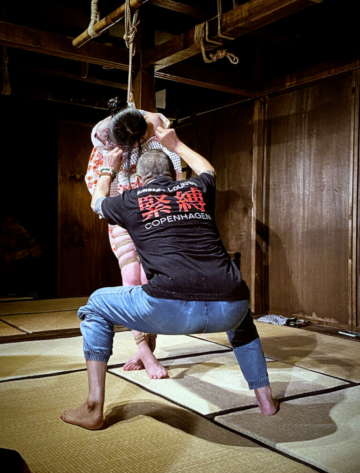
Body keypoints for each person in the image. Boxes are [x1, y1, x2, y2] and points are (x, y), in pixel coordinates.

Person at [61, 127, 278, 430]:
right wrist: (175, 144)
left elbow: (97, 203)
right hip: (230, 305)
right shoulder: (197, 189)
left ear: (138, 180)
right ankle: (265, 398)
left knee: (96, 304)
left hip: (168, 309)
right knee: (241, 315)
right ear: (176, 176)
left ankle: (93, 407)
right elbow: (207, 169)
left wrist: (108, 169)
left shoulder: (131, 199)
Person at [85, 98, 182, 378]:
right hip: (120, 214)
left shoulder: (149, 129)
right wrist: (111, 170)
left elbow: (170, 168)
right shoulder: (102, 141)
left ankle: (148, 345)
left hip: (151, 214)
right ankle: (146, 354)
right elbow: (97, 191)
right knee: (131, 280)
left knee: (151, 281)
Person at [0, 214, 42, 297]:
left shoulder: (18, 235)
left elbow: (37, 249)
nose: (8, 225)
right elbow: (5, 257)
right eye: (5, 222)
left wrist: (25, 232)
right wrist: (28, 251)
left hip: (17, 274)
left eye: (11, 222)